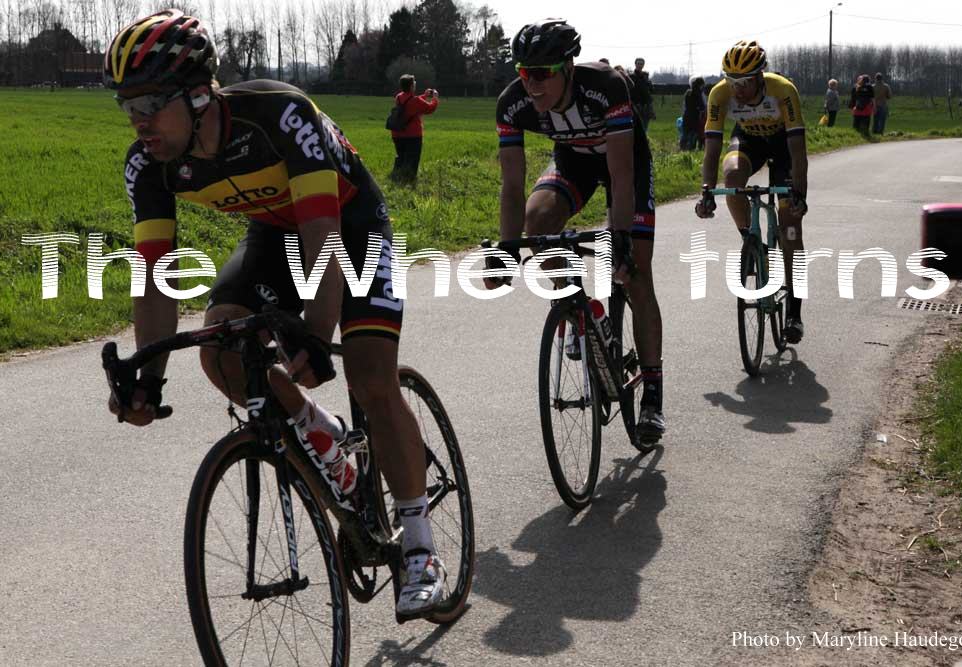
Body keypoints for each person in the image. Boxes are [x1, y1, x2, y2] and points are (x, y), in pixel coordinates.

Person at [103, 9, 447, 617]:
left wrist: (315, 335)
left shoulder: (277, 116)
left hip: (348, 227)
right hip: (273, 236)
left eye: (153, 101)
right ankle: (322, 433)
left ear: (201, 94)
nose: (140, 119)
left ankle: (419, 545)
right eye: (128, 104)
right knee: (220, 349)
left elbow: (323, 234)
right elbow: (156, 274)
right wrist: (147, 377)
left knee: (370, 376)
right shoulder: (148, 164)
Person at [490, 19, 666, 441]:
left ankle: (653, 396)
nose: (532, 84)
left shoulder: (605, 87)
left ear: (568, 67)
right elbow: (513, 186)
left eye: (543, 73)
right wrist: (507, 250)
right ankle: (579, 309)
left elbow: (621, 173)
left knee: (636, 273)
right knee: (537, 222)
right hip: (574, 164)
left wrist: (620, 240)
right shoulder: (513, 104)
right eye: (524, 72)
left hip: (626, 166)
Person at [694, 39, 809, 344]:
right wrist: (706, 191)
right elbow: (712, 149)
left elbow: (798, 151)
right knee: (732, 177)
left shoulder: (783, 91)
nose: (738, 90)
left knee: (789, 226)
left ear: (760, 77)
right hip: (749, 141)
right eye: (732, 81)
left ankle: (794, 313)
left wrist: (800, 195)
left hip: (783, 146)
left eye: (744, 82)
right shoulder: (720, 95)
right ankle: (751, 241)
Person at [390, 74, 438, 182]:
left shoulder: (398, 97)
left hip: (397, 134)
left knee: (401, 156)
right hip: (413, 136)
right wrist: (435, 99)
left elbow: (411, 101)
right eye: (414, 82)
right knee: (413, 159)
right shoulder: (415, 101)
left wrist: (424, 96)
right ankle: (409, 179)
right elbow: (430, 108)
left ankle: (397, 175)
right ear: (411, 86)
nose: (415, 83)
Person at [680, 76, 706, 150]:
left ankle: (683, 147)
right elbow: (701, 106)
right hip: (695, 116)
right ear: (700, 85)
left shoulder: (688, 92)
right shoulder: (699, 93)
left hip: (686, 115)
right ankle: (691, 147)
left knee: (685, 132)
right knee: (693, 133)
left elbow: (686, 103)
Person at [631, 57, 655, 128]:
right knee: (637, 124)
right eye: (638, 64)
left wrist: (648, 83)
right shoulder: (632, 76)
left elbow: (651, 90)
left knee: (645, 124)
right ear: (635, 64)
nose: (640, 65)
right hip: (637, 104)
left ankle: (644, 138)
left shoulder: (645, 76)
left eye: (641, 64)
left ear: (643, 65)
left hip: (646, 104)